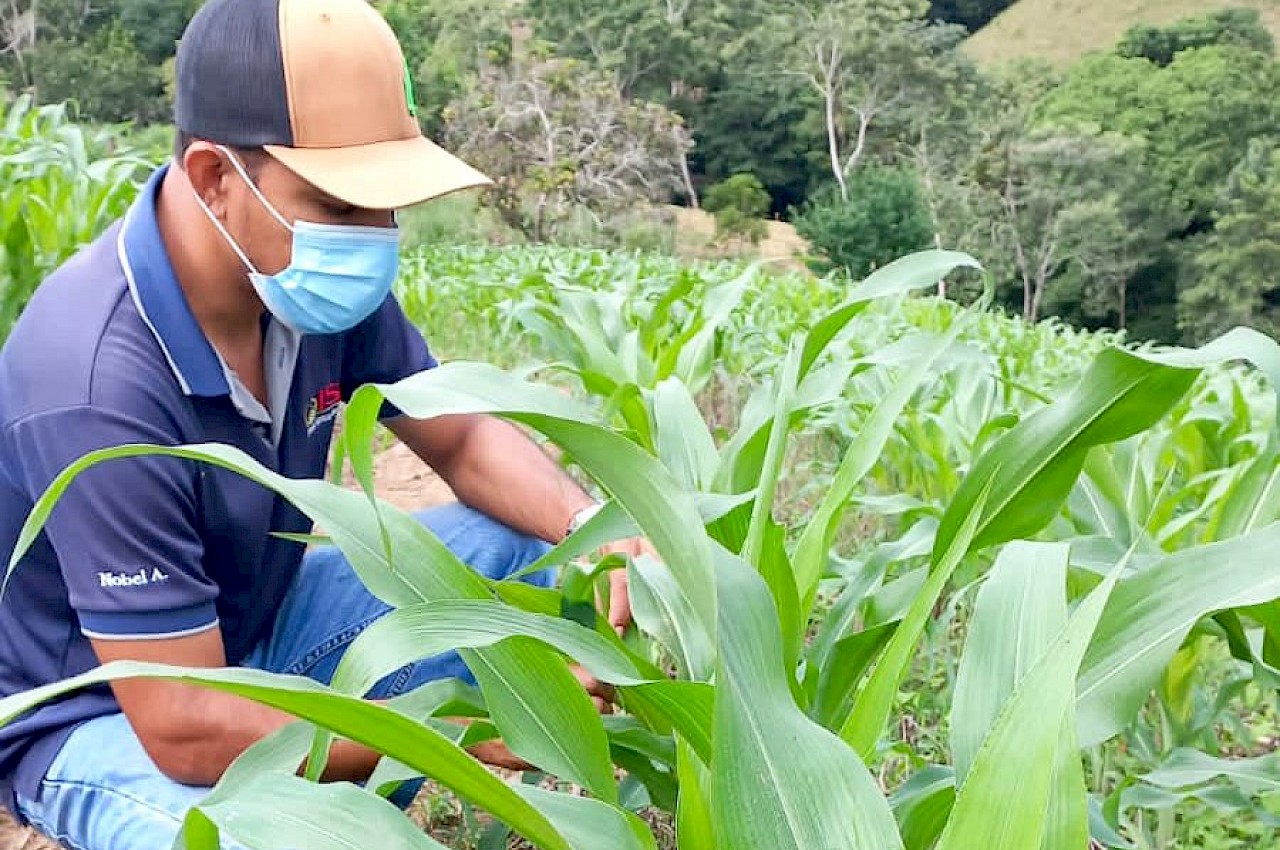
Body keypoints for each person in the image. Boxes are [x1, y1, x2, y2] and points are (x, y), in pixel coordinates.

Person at [0, 0, 650, 847]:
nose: (376, 238)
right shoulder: (94, 382)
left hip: (254, 632)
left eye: (386, 206)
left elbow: (455, 434)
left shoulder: (303, 285)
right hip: (105, 714)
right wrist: (456, 739)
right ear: (214, 179)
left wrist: (591, 529)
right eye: (342, 205)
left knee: (528, 558)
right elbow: (187, 721)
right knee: (261, 835)